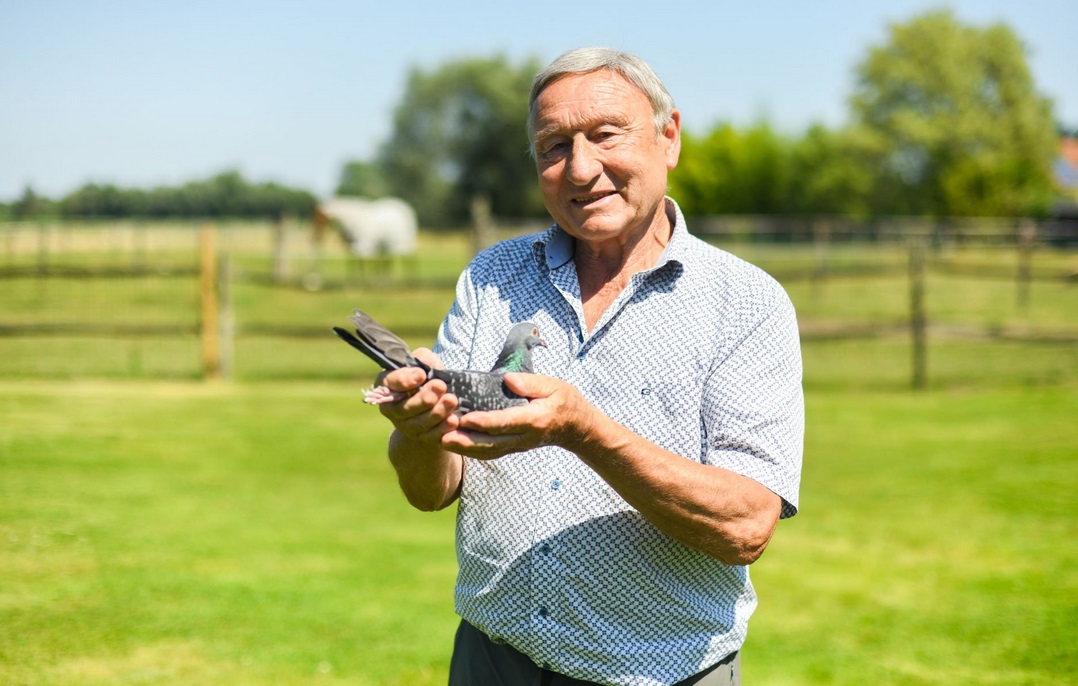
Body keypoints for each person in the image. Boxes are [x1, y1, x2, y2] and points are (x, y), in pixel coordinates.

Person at [373, 47, 804, 686]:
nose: (580, 167)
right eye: (553, 146)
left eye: (605, 135)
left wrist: (583, 429)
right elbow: (430, 491)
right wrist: (419, 430)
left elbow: (745, 526)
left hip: (661, 672)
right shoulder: (493, 278)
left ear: (669, 138)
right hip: (493, 658)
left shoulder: (745, 301)